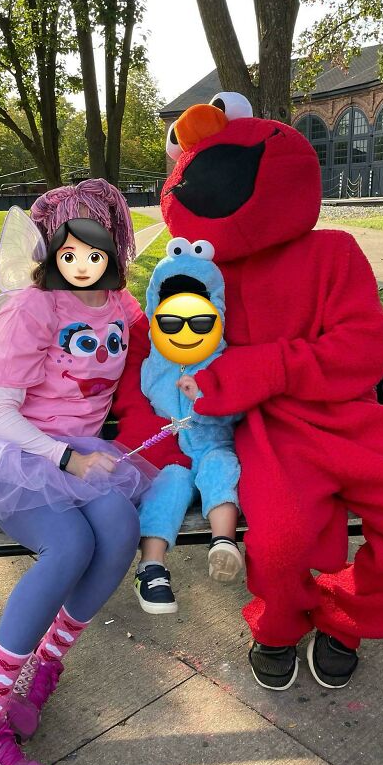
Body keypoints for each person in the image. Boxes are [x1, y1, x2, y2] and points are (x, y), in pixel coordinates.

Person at [162, 92, 383, 692]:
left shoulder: (334, 252)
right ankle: (276, 627)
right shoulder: (199, 275)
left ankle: (344, 615)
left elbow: (364, 351)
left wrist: (260, 367)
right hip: (270, 430)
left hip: (356, 421)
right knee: (280, 541)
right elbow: (173, 352)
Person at [0, 180, 188, 765]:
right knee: (69, 547)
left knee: (119, 531)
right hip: (15, 454)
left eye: (97, 248)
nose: (83, 261)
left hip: (81, 455)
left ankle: (41, 670)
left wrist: (196, 375)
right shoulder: (31, 310)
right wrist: (65, 458)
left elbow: (165, 350)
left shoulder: (119, 305)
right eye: (70, 249)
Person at [132, 236, 244, 614]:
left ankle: (223, 542)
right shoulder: (154, 365)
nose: (184, 326)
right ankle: (151, 566)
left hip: (212, 443)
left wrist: (204, 397)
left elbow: (235, 410)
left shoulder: (222, 361)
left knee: (221, 469)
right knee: (169, 486)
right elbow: (145, 405)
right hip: (172, 453)